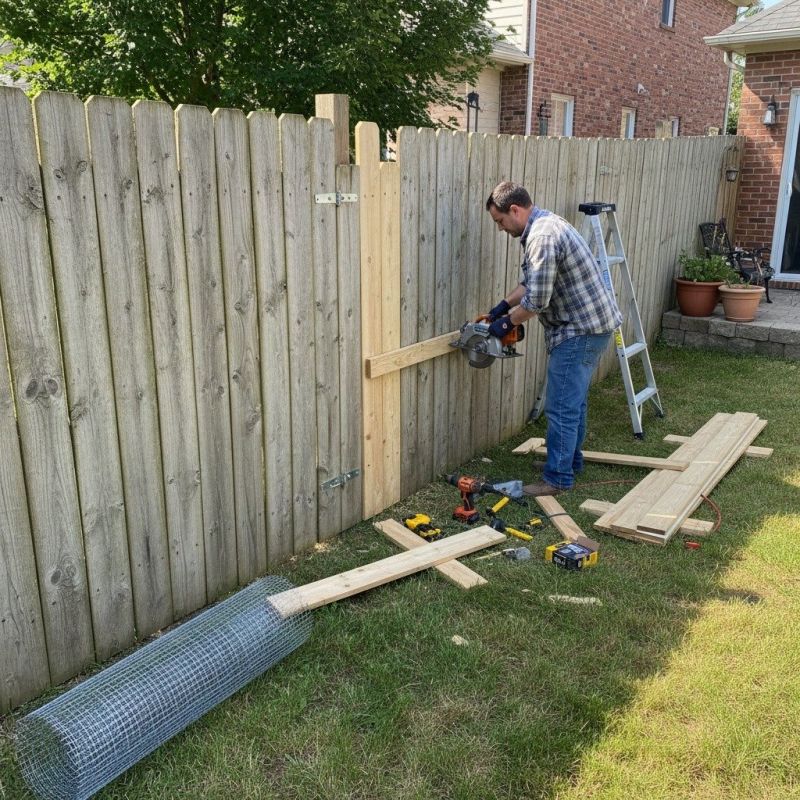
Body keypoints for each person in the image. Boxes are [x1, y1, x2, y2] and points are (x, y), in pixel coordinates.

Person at [483, 181, 622, 496]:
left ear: (514, 210)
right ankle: (570, 462)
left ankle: (558, 478)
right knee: (575, 401)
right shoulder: (545, 224)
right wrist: (503, 306)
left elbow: (537, 301)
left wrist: (505, 325)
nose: (501, 228)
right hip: (592, 325)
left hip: (579, 330)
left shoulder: (542, 237)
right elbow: (530, 283)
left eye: (500, 221)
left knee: (560, 406)